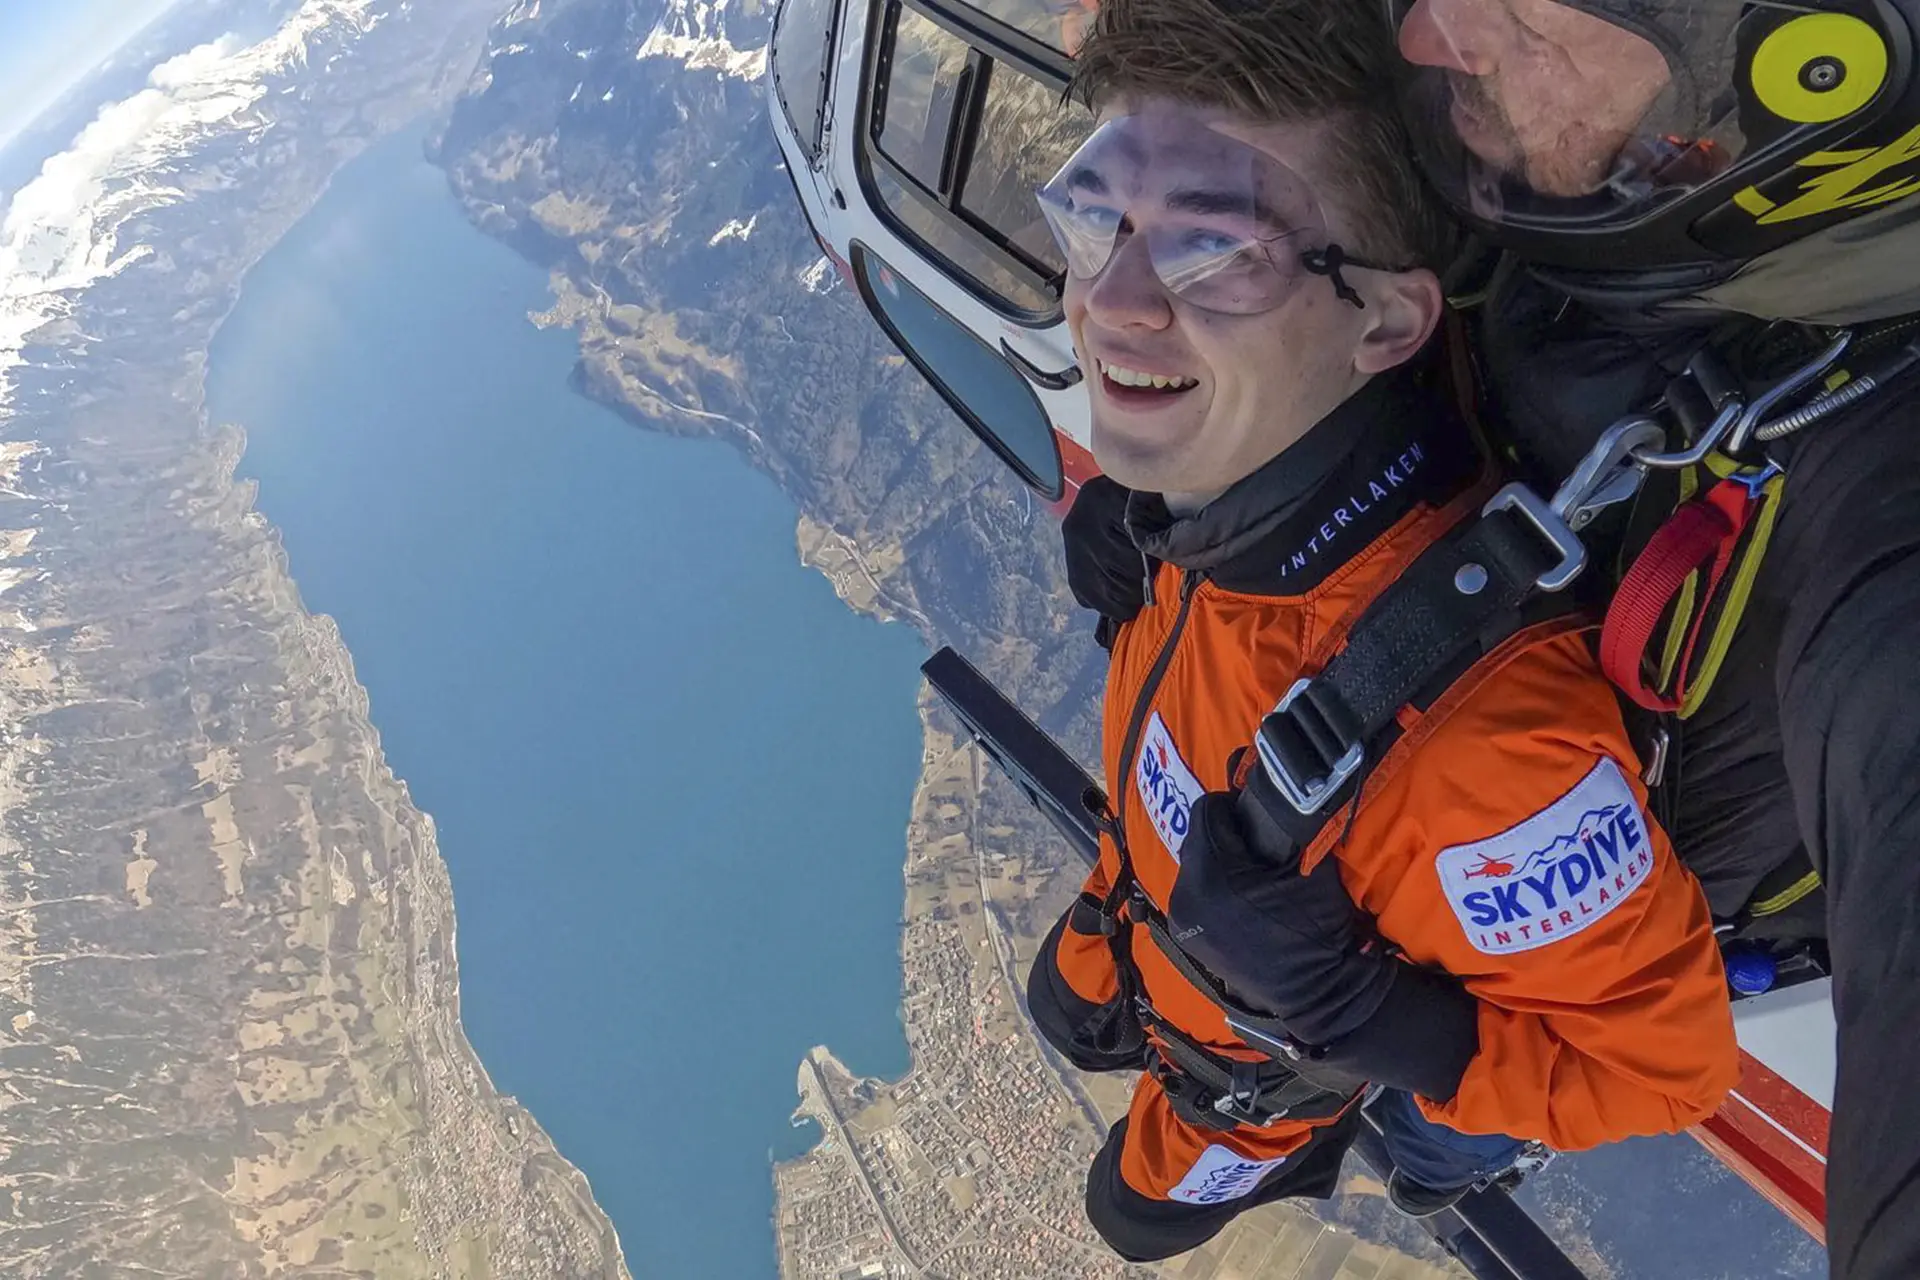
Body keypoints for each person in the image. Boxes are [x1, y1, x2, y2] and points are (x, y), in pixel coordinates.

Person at [1018, 0, 1741, 1260]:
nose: (1115, 301)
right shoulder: (1227, 495)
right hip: (1157, 903)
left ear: (1390, 322)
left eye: (1214, 248)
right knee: (1061, 1006)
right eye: (1101, 214)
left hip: (1264, 1053)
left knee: (1128, 1221)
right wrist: (1155, 533)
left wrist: (1368, 1014)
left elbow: (1664, 1071)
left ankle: (1415, 1149)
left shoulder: (1485, 762)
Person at [1390, 1, 1920, 1274]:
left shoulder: (1882, 503)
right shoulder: (1625, 210)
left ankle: (1452, 1144)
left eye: (1526, 4)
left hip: (1611, 940)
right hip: (1513, 838)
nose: (1426, 33)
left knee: (1443, 1107)